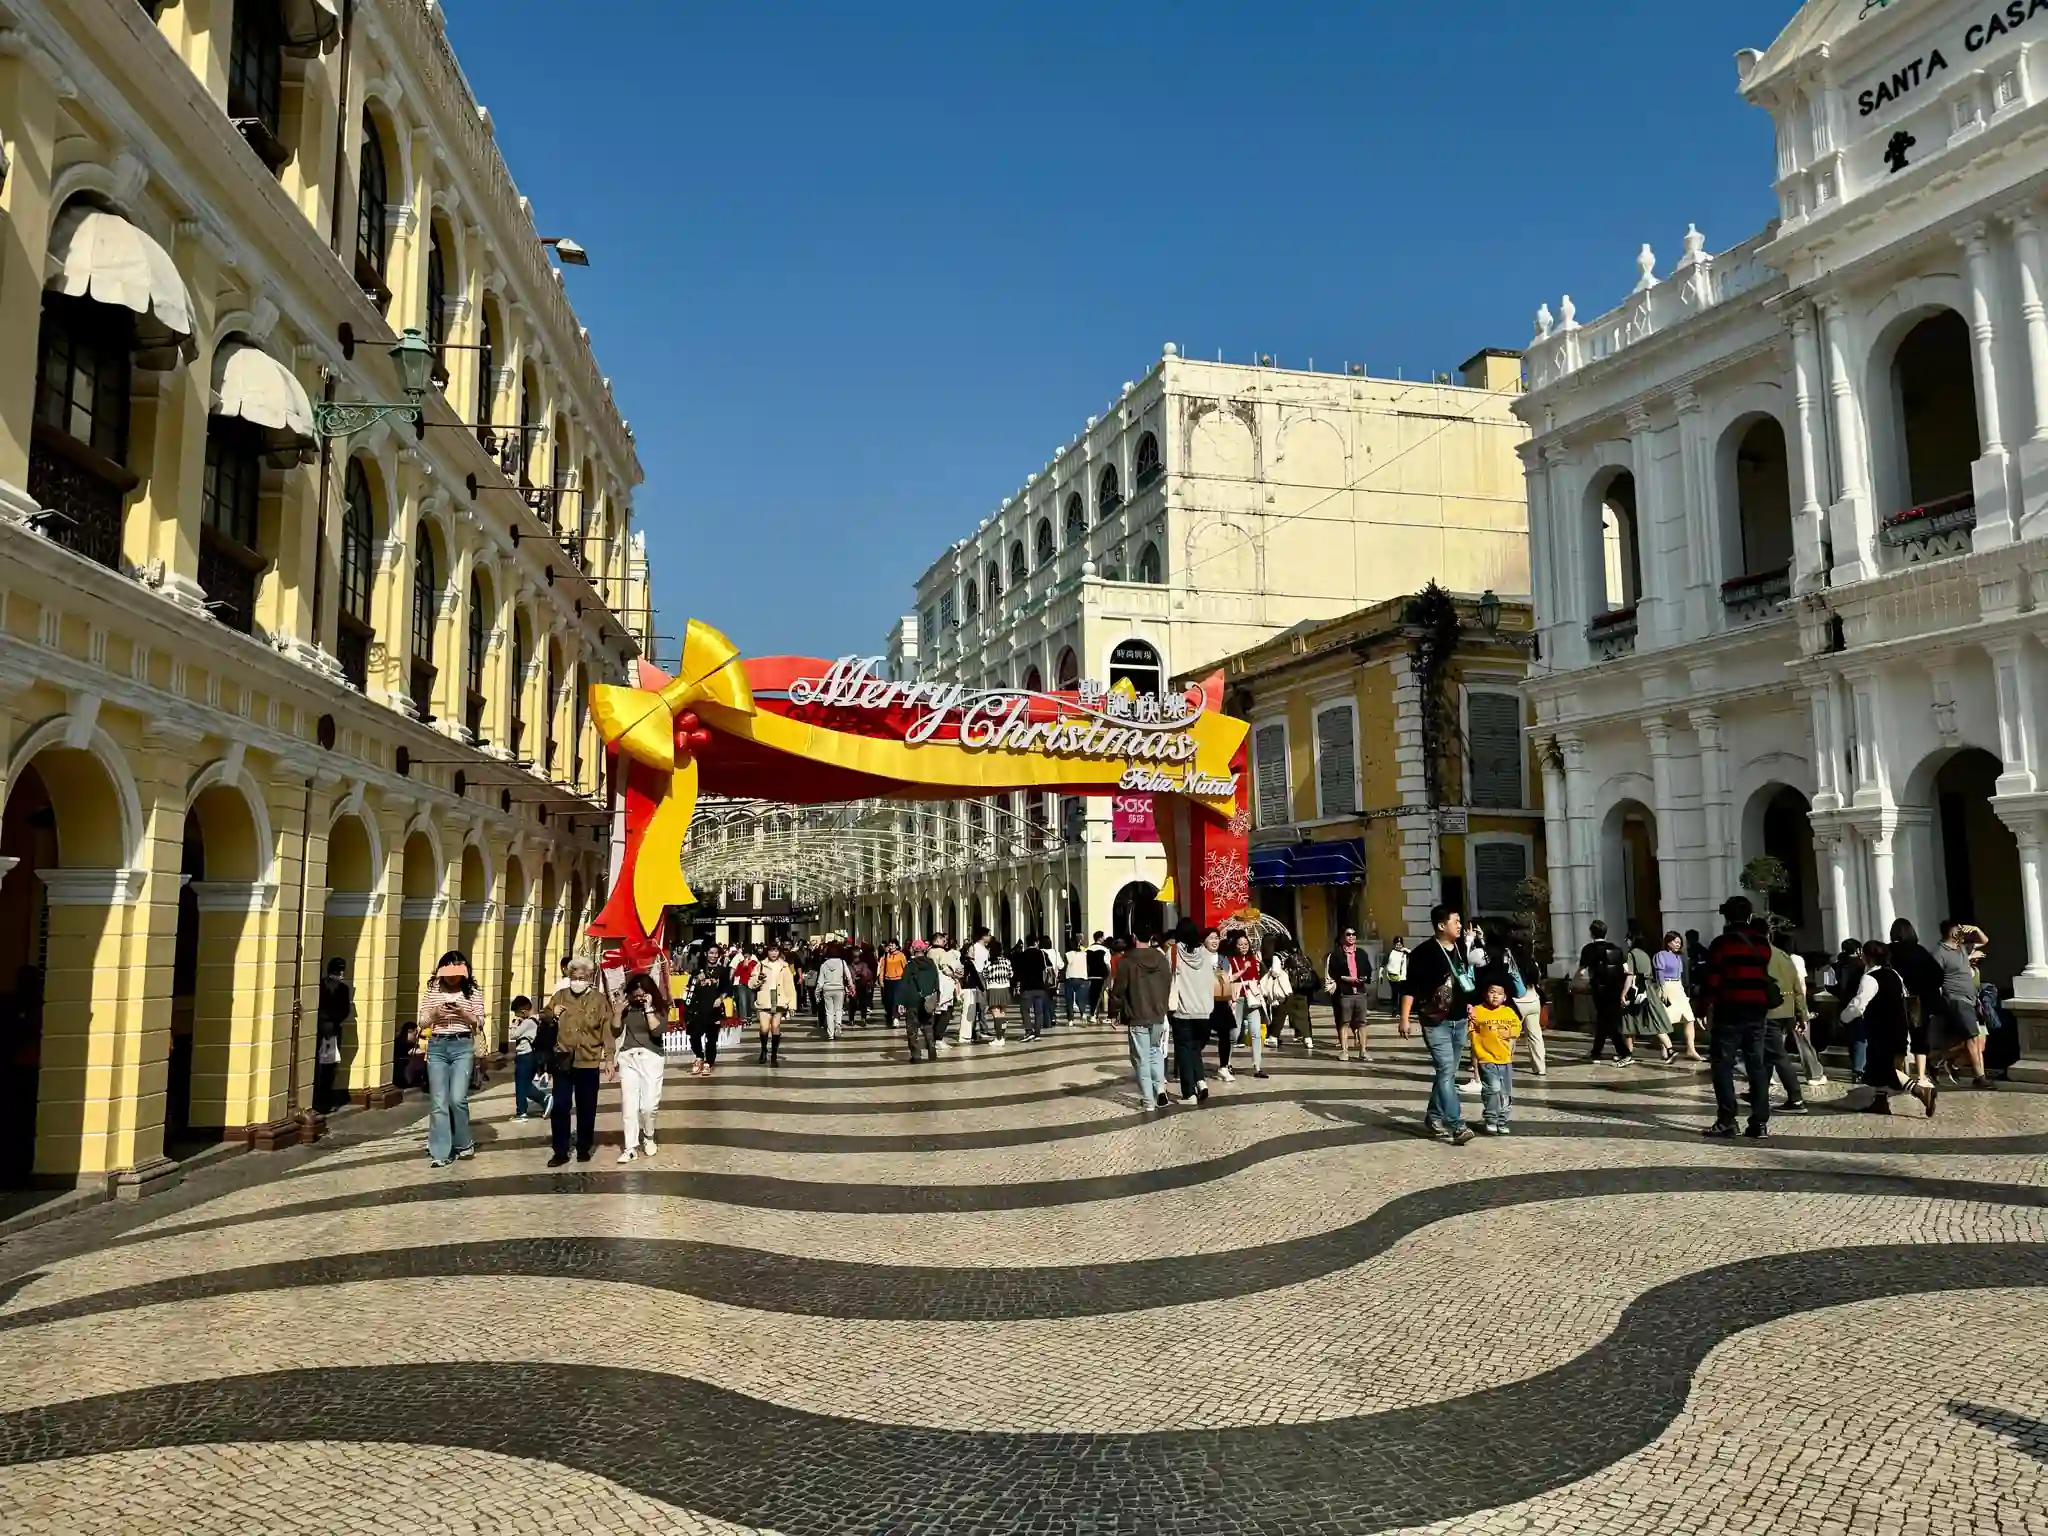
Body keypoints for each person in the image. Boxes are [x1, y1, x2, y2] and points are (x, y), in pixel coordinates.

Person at [1398, 904, 1476, 1146]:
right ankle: (1456, 1124)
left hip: (1459, 1019)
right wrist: (1404, 1018)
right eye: (1456, 921)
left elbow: (1464, 979)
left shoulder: (1461, 948)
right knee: (1445, 1070)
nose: (1460, 925)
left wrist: (1470, 1004)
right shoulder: (1423, 953)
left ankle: (1433, 1117)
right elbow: (1410, 987)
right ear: (1441, 925)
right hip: (1435, 1022)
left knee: (1448, 1072)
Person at [1698, 897, 1776, 1139]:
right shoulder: (1761, 943)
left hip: (1729, 1009)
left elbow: (1712, 979)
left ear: (1726, 917)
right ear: (1750, 916)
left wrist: (1702, 1007)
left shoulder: (1722, 944)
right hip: (1757, 1010)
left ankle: (1727, 1119)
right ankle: (1760, 1122)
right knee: (1757, 1065)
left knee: (1723, 1064)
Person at [1837, 939, 1927, 1116]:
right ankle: (1880, 1101)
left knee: (1884, 1069)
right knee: (1879, 1068)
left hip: (1881, 1031)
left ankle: (1921, 1091)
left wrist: (1843, 1018)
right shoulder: (1894, 974)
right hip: (1898, 1028)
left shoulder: (1870, 978)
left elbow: (1858, 1005)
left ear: (1868, 957)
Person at [545, 956, 614, 1166]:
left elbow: (607, 1030)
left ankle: (584, 1146)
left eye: (582, 977)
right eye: (574, 977)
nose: (578, 980)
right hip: (563, 1058)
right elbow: (545, 1017)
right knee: (561, 1105)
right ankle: (560, 1150)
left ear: (590, 978)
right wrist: (551, 1014)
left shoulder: (600, 1001)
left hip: (589, 1059)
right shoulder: (560, 996)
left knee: (587, 1106)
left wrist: (609, 1058)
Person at [418, 950, 485, 1169]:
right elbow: (422, 1022)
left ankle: (464, 1141)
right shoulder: (433, 990)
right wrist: (435, 1013)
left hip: (462, 1045)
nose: (452, 976)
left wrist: (463, 1014)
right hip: (437, 1046)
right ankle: (440, 1150)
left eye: (458, 970)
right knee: (439, 1101)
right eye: (449, 970)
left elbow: (480, 1022)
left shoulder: (473, 991)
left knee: (457, 1098)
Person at [1110, 929, 1174, 1109]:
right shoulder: (1161, 958)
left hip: (1137, 1015)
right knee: (1155, 1052)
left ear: (1134, 937)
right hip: (1158, 1015)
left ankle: (1148, 1099)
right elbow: (1167, 984)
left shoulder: (1128, 961)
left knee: (1141, 1058)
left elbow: (1119, 990)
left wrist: (1114, 1013)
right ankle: (1160, 1088)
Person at [1890, 918, 1946, 1110]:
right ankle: (1921, 1076)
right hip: (1920, 999)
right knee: (1919, 1037)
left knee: (1897, 1039)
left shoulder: (1891, 951)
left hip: (1898, 1001)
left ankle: (1898, 1075)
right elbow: (1938, 975)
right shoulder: (1920, 951)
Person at [1934, 919, 1996, 1089]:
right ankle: (1979, 1077)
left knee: (1974, 1040)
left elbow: (1984, 941)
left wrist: (1976, 929)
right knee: (1973, 1038)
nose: (1963, 932)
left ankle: (1939, 1060)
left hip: (1971, 1001)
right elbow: (1934, 978)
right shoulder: (1940, 953)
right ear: (1951, 932)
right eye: (1959, 929)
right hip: (1956, 999)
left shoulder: (1962, 948)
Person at [614, 971, 668, 1163]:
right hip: (628, 1058)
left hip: (651, 1057)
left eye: (641, 995)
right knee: (629, 1105)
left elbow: (657, 1031)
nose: (637, 998)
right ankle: (630, 1147)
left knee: (648, 1106)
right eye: (634, 995)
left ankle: (649, 1136)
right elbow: (615, 1030)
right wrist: (618, 1012)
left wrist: (648, 1008)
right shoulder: (627, 1008)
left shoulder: (659, 1007)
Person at [1764, 926, 1820, 1107]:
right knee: (1768, 1052)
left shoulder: (1766, 956)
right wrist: (1801, 1013)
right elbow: (1798, 989)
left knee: (1777, 1053)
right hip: (1787, 1011)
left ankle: (1796, 1097)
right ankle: (1759, 1090)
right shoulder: (1786, 958)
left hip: (1770, 1011)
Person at [1167, 920, 1217, 1105]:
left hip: (1183, 1010)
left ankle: (1189, 1094)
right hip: (1204, 1011)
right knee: (1195, 1048)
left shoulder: (1173, 952)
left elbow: (1167, 976)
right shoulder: (1206, 953)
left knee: (1184, 1051)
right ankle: (1201, 1082)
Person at [1469, 978, 1522, 1136]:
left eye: (1499, 994)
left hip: (1505, 1059)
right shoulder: (1478, 1010)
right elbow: (1471, 1030)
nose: (1495, 996)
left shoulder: (1508, 1011)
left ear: (1505, 997)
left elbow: (1517, 1027)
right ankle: (1491, 1118)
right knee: (1493, 1088)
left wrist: (1507, 1033)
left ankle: (1502, 1120)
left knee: (1505, 1092)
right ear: (1486, 994)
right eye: (1492, 992)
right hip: (1486, 1058)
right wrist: (1477, 1048)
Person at [1579, 921, 1633, 1064]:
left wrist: (1573, 982)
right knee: (1604, 1021)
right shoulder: (1616, 949)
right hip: (1615, 989)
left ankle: (1624, 1053)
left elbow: (1582, 971)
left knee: (1609, 1023)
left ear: (1591, 933)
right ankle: (1596, 1052)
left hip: (1599, 991)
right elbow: (1626, 971)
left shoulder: (1588, 950)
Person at [1624, 929, 1678, 1064]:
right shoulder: (1645, 954)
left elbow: (1630, 976)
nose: (1626, 942)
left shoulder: (1631, 955)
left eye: (1628, 939)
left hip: (1638, 990)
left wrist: (1623, 993)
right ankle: (1669, 1049)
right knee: (1656, 1021)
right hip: (1649, 990)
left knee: (1629, 1020)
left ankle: (1628, 1054)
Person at [1326, 926, 1375, 1063]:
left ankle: (1363, 1051)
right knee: (1344, 1022)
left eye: (1354, 934)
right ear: (1343, 937)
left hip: (1360, 992)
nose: (1351, 937)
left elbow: (1368, 969)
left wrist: (1364, 978)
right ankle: (1344, 1051)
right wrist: (1346, 979)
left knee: (1362, 1023)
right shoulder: (1336, 954)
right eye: (1348, 934)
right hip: (1345, 993)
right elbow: (1333, 972)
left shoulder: (1361, 953)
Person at [1225, 930, 1268, 1079]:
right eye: (1240, 944)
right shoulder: (1229, 960)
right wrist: (1243, 970)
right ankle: (1226, 1063)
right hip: (1238, 998)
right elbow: (1228, 979)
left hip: (1253, 999)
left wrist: (1260, 962)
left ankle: (1257, 1066)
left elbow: (1260, 977)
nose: (1244, 946)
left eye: (1246, 944)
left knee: (1256, 1033)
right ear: (1235, 946)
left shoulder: (1254, 959)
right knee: (1234, 1034)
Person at [1654, 931, 1703, 1061]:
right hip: (1667, 987)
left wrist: (1685, 990)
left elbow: (1681, 976)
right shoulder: (1661, 955)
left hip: (1678, 988)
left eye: (1680, 942)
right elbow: (1660, 974)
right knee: (1665, 1020)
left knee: (1689, 1018)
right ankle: (1665, 1048)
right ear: (1668, 942)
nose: (1678, 945)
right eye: (1676, 942)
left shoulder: (1679, 957)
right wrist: (1663, 990)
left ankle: (1691, 1049)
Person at [1500, 941, 1546, 1076]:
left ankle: (1505, 1064)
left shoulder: (1511, 964)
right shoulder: (1532, 964)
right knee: (1535, 1036)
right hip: (1533, 999)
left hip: (1517, 1002)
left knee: (1510, 1036)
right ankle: (1540, 1067)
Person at [314, 957, 351, 1113]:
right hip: (319, 1031)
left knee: (330, 1066)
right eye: (337, 971)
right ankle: (315, 1099)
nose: (340, 974)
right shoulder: (320, 986)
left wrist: (333, 1021)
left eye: (342, 971)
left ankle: (325, 1100)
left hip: (333, 1031)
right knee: (317, 1066)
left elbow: (345, 1010)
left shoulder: (343, 989)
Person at [1828, 937, 1868, 1081]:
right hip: (1859, 1003)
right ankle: (1859, 1069)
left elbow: (1828, 984)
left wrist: (1839, 994)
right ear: (1858, 950)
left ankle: (1856, 1065)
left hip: (1842, 1003)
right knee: (1860, 1037)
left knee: (1850, 1036)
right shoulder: (1863, 966)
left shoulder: (1833, 966)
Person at [755, 941, 797, 1065]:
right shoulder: (760, 965)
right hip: (764, 998)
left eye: (776, 950)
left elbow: (790, 986)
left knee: (775, 1027)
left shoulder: (784, 966)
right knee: (764, 1027)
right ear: (767, 952)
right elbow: (751, 983)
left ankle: (774, 1055)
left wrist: (792, 1005)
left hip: (779, 998)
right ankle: (763, 1049)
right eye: (771, 950)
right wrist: (758, 979)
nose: (773, 953)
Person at [902, 938, 942, 1061]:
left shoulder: (910, 965)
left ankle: (915, 1054)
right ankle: (932, 1048)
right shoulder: (931, 964)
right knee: (928, 1025)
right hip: (928, 999)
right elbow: (936, 981)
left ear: (913, 950)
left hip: (913, 1000)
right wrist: (936, 997)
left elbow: (904, 983)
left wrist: (901, 1002)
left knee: (912, 1028)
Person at [685, 954, 726, 1075]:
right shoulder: (697, 971)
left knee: (711, 1038)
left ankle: (708, 1062)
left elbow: (727, 988)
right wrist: (697, 980)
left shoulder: (721, 971)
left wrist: (721, 998)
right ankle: (699, 1057)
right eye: (711, 953)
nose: (713, 956)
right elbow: (690, 988)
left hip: (714, 1008)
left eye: (715, 953)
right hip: (698, 1008)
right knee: (694, 1035)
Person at [508, 993, 546, 1119]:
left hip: (525, 1056)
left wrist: (514, 1023)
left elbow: (513, 1035)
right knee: (524, 1084)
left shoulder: (527, 1023)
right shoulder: (536, 1020)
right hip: (531, 1055)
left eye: (517, 1013)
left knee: (522, 1085)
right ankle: (523, 1110)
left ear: (523, 1012)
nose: (516, 1016)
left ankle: (542, 1099)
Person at [1280, 942, 1318, 1049]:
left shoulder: (1287, 961)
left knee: (1287, 1013)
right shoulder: (1306, 959)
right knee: (1304, 1015)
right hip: (1305, 990)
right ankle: (1307, 1037)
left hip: (1291, 990)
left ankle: (1277, 1035)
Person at [1017, 936, 1055, 1041]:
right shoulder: (1042, 954)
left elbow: (1018, 972)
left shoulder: (1022, 955)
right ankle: (1037, 1033)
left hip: (1027, 987)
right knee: (1039, 1012)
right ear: (1036, 942)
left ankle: (1029, 1031)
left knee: (1025, 1010)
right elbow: (1048, 969)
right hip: (1040, 986)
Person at [817, 944, 851, 1041]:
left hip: (827, 989)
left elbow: (820, 981)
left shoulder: (824, 965)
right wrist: (851, 985)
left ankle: (830, 1034)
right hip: (839, 989)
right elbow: (848, 976)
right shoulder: (842, 962)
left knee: (829, 1012)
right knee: (839, 1009)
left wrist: (817, 991)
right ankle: (838, 1024)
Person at [982, 940, 1013, 1044]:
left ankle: (998, 1038)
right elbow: (1011, 974)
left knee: (996, 1014)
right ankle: (1002, 1036)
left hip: (993, 989)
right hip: (1004, 988)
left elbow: (985, 975)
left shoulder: (988, 963)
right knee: (1002, 1013)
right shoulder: (1007, 961)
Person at [1063, 937, 1092, 1022]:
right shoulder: (1084, 954)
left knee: (1069, 1000)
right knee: (1081, 998)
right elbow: (1087, 966)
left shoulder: (1068, 954)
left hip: (1070, 978)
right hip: (1082, 978)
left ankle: (1070, 1020)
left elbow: (1064, 966)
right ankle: (1083, 1013)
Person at [1086, 931, 1112, 1019]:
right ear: (1100, 938)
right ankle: (1094, 1014)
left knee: (1091, 995)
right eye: (1103, 937)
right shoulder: (1105, 950)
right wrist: (1109, 975)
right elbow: (1107, 964)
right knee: (1098, 995)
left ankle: (1092, 1013)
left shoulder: (1087, 949)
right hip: (1101, 975)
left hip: (1090, 975)